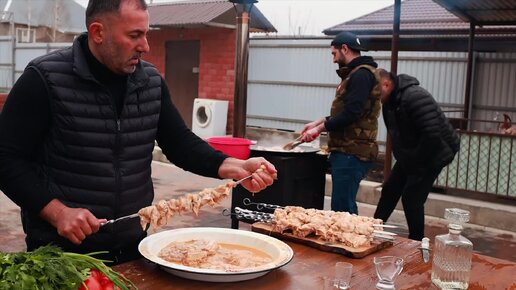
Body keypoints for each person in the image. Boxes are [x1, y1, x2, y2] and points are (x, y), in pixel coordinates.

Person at [0, 0, 276, 264]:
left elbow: (179, 142)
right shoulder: (45, 79)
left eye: (146, 34)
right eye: (134, 35)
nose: (145, 46)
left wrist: (235, 167)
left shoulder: (150, 82)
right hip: (62, 255)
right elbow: (6, 158)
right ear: (98, 32)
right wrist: (58, 213)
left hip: (133, 247)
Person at [374, 69, 460, 241]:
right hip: (412, 153)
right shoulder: (389, 103)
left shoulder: (415, 96)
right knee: (390, 189)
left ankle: (417, 242)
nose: (373, 97)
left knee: (412, 197)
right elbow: (395, 133)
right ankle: (373, 227)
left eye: (374, 92)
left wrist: (413, 162)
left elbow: (432, 135)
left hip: (434, 153)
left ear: (386, 84)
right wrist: (404, 157)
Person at [301, 31, 381, 215]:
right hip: (348, 151)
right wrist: (319, 122)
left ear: (345, 48)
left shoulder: (361, 75)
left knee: (343, 210)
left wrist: (320, 129)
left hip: (352, 152)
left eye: (334, 53)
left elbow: (352, 114)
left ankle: (348, 243)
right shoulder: (356, 74)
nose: (333, 60)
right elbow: (349, 112)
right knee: (343, 206)